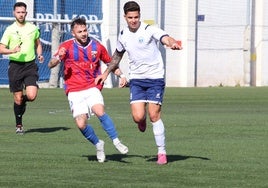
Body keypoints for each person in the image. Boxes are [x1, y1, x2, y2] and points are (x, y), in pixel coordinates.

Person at [95, 1, 182, 165]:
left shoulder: (149, 29)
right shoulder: (123, 35)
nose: (133, 20)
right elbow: (117, 56)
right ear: (125, 17)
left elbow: (165, 38)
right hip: (136, 80)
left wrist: (172, 43)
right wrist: (105, 73)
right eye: (130, 17)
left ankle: (161, 152)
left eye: (136, 17)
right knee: (138, 116)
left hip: (155, 78)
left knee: (154, 115)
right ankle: (141, 121)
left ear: (139, 16)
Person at [48, 17, 128, 163]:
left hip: (92, 87)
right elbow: (50, 64)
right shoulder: (66, 46)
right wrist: (58, 58)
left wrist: (122, 75)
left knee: (99, 111)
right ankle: (98, 144)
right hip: (74, 90)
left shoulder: (97, 46)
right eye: (80, 32)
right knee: (81, 123)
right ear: (73, 33)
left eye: (85, 30)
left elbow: (110, 63)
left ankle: (116, 141)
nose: (84, 34)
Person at [0, 2, 44, 134]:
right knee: (17, 98)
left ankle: (23, 101)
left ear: (26, 13)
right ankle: (19, 125)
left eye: (22, 12)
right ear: (14, 13)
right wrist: (12, 51)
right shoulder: (9, 30)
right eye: (18, 12)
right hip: (15, 66)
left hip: (30, 65)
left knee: (31, 96)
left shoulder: (33, 28)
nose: (20, 14)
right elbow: (1, 48)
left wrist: (40, 54)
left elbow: (38, 44)